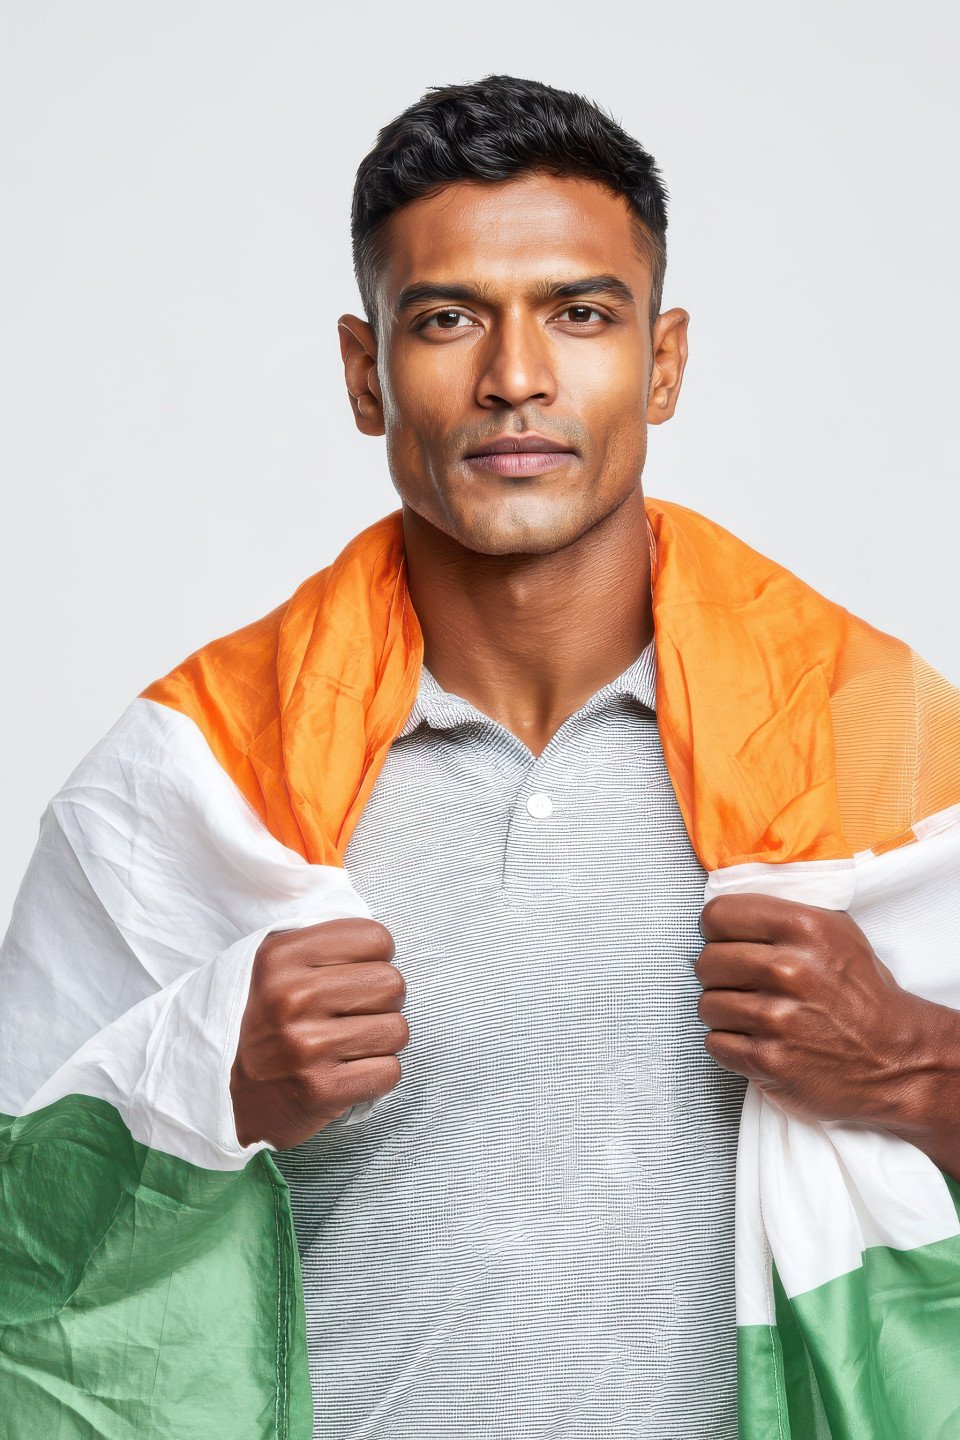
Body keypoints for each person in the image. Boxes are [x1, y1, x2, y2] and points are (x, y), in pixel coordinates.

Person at [2, 73, 960, 1440]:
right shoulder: (198, 783)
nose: (516, 378)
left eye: (581, 314)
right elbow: (20, 1240)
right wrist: (203, 1082)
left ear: (665, 363)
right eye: (447, 319)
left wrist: (913, 1063)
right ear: (365, 373)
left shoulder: (877, 746)